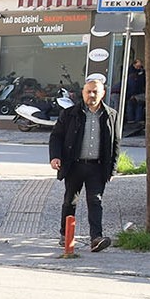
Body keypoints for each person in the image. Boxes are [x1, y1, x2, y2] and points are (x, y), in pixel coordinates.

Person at [50, 72, 118, 251]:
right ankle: (65, 235)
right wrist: (55, 157)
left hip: (97, 167)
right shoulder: (70, 114)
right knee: (69, 201)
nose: (92, 95)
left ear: (103, 93)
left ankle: (96, 238)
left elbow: (115, 143)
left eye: (95, 92)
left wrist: (112, 169)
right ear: (83, 93)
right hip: (74, 165)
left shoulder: (111, 115)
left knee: (95, 201)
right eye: (89, 92)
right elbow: (56, 136)